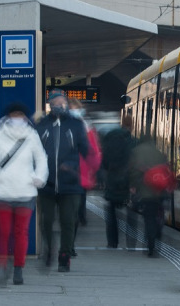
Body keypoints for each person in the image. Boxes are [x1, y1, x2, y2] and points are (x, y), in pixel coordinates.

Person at [0, 102, 48, 286]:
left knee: (21, 233)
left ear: (25, 117)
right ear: (8, 116)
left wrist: (39, 177)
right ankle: (2, 267)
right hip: (2, 192)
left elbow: (41, 158)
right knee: (3, 232)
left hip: (25, 191)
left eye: (20, 115)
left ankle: (18, 269)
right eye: (14, 114)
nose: (17, 118)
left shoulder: (31, 136)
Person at [35, 89, 89, 272]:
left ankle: (64, 255)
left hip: (71, 184)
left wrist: (73, 166)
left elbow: (86, 150)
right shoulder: (41, 125)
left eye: (62, 101)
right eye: (56, 102)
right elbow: (33, 151)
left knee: (68, 220)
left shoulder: (76, 124)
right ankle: (49, 249)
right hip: (46, 183)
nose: (60, 105)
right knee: (46, 220)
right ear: (50, 104)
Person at [68, 98, 101, 256]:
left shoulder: (87, 128)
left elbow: (93, 154)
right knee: (68, 212)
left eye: (76, 108)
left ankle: (69, 245)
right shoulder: (61, 125)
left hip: (80, 177)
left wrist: (92, 170)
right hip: (66, 176)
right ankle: (68, 245)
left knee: (72, 212)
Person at [129, 136, 170, 257]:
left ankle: (150, 243)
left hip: (146, 191)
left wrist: (134, 186)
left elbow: (133, 171)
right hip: (159, 190)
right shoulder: (159, 153)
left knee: (149, 218)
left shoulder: (136, 152)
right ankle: (157, 234)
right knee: (158, 215)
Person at [101, 115, 135, 249]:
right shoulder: (133, 142)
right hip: (128, 181)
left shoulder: (109, 139)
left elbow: (103, 161)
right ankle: (131, 242)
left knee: (111, 214)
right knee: (131, 213)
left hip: (112, 180)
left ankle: (112, 242)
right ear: (131, 126)